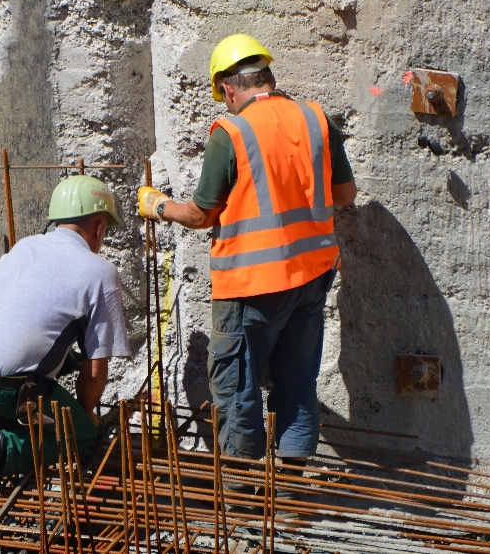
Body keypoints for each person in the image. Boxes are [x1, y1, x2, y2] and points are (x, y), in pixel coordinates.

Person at [137, 34, 356, 508]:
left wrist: (157, 206)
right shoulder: (316, 119)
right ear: (268, 80)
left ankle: (240, 489)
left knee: (235, 381)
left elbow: (201, 215)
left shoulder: (231, 132)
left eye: (223, 95)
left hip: (251, 284)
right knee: (297, 377)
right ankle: (294, 480)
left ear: (228, 87)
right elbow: (345, 196)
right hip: (312, 276)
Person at [0, 175, 131, 491]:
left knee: (29, 389)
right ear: (99, 227)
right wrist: (84, 418)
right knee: (81, 438)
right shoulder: (101, 273)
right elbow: (95, 369)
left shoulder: (26, 246)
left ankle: (5, 427)